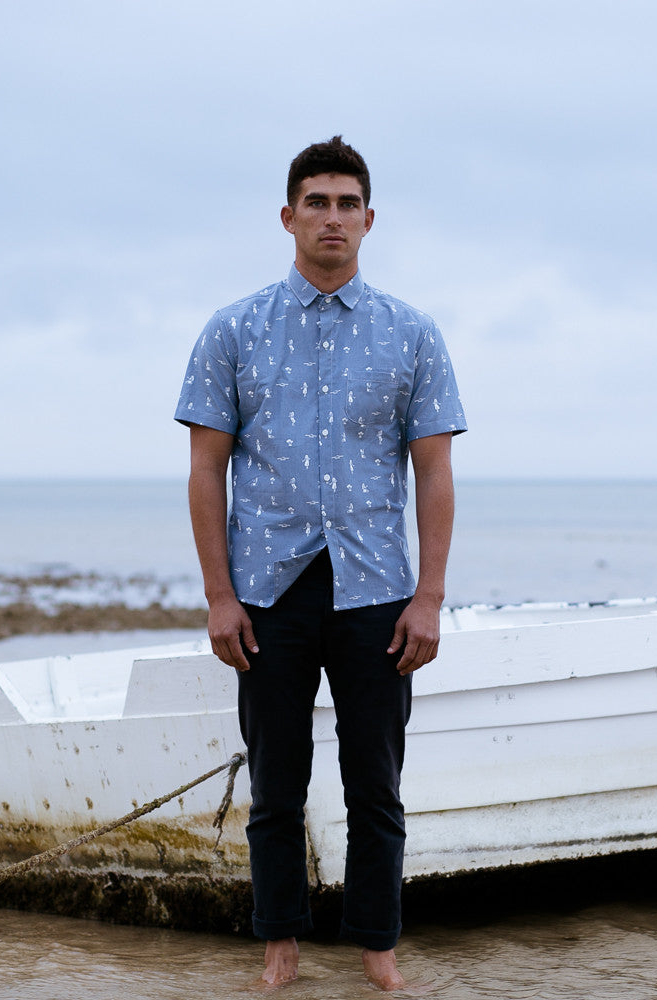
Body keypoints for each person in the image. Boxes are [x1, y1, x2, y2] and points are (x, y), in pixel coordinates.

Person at [174, 135, 466, 991]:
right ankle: (279, 949)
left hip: (377, 587)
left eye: (346, 204)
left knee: (376, 784)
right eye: (316, 202)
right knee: (275, 783)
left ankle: (378, 951)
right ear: (288, 216)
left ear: (369, 220)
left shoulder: (412, 333)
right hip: (268, 589)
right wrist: (219, 597)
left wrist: (431, 599)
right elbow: (205, 469)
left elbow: (435, 474)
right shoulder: (233, 330)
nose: (331, 218)